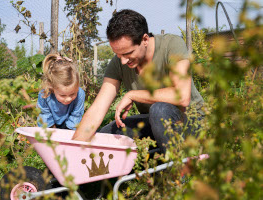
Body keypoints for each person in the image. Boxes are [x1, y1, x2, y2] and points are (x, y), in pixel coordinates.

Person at [72, 9, 204, 153]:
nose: (122, 61)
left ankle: (178, 172)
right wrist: (72, 151)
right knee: (109, 134)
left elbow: (182, 96)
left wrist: (133, 94)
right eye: (117, 54)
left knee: (159, 110)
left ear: (145, 40)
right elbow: (98, 109)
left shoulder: (172, 45)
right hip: (155, 125)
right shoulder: (119, 62)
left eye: (128, 53)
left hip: (191, 122)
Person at [37, 53, 85, 130]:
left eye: (72, 94)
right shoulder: (44, 94)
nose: (68, 99)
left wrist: (66, 134)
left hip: (70, 127)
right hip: (51, 126)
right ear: (52, 87)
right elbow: (44, 115)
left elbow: (76, 116)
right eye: (63, 95)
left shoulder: (80, 94)